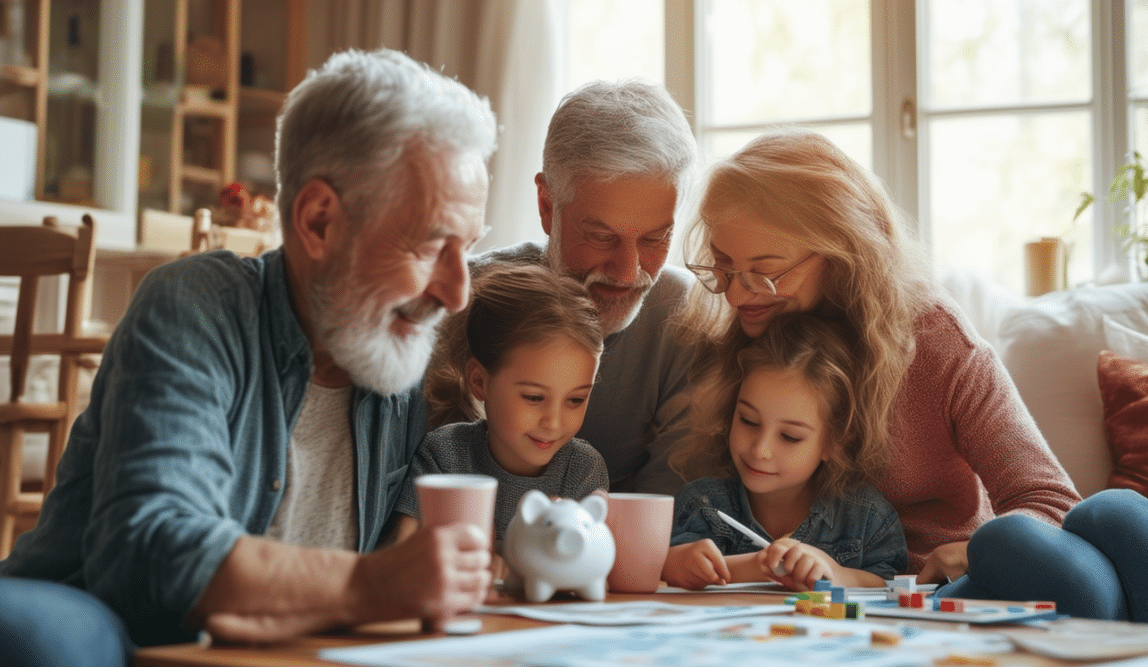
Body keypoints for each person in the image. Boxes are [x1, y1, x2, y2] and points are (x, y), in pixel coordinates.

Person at [0, 48, 498, 665]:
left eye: (468, 249)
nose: (455, 291)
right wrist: (367, 585)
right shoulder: (197, 305)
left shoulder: (393, 351)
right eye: (430, 246)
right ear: (318, 222)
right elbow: (154, 550)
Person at [677, 128, 1148, 623]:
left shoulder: (933, 338)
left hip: (948, 584)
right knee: (1023, 545)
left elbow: (1048, 500)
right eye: (723, 266)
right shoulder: (745, 343)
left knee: (1111, 514)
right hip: (884, 603)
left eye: (765, 272)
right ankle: (1135, 634)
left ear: (843, 251)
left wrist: (975, 551)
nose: (739, 293)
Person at [449, 79, 699, 495]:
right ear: (547, 206)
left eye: (655, 239)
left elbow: (666, 515)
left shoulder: (685, 315)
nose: (626, 271)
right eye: (601, 236)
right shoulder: (465, 299)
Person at [663, 314, 906, 591]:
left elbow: (892, 585)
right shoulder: (704, 504)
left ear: (834, 442)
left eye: (790, 437)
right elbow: (664, 567)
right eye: (748, 421)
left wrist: (835, 573)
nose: (760, 450)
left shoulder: (864, 517)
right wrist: (678, 563)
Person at [397, 263, 609, 547]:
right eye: (534, 398)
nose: (554, 422)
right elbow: (402, 552)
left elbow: (594, 561)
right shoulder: (443, 456)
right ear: (480, 382)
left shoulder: (582, 469)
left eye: (575, 400)